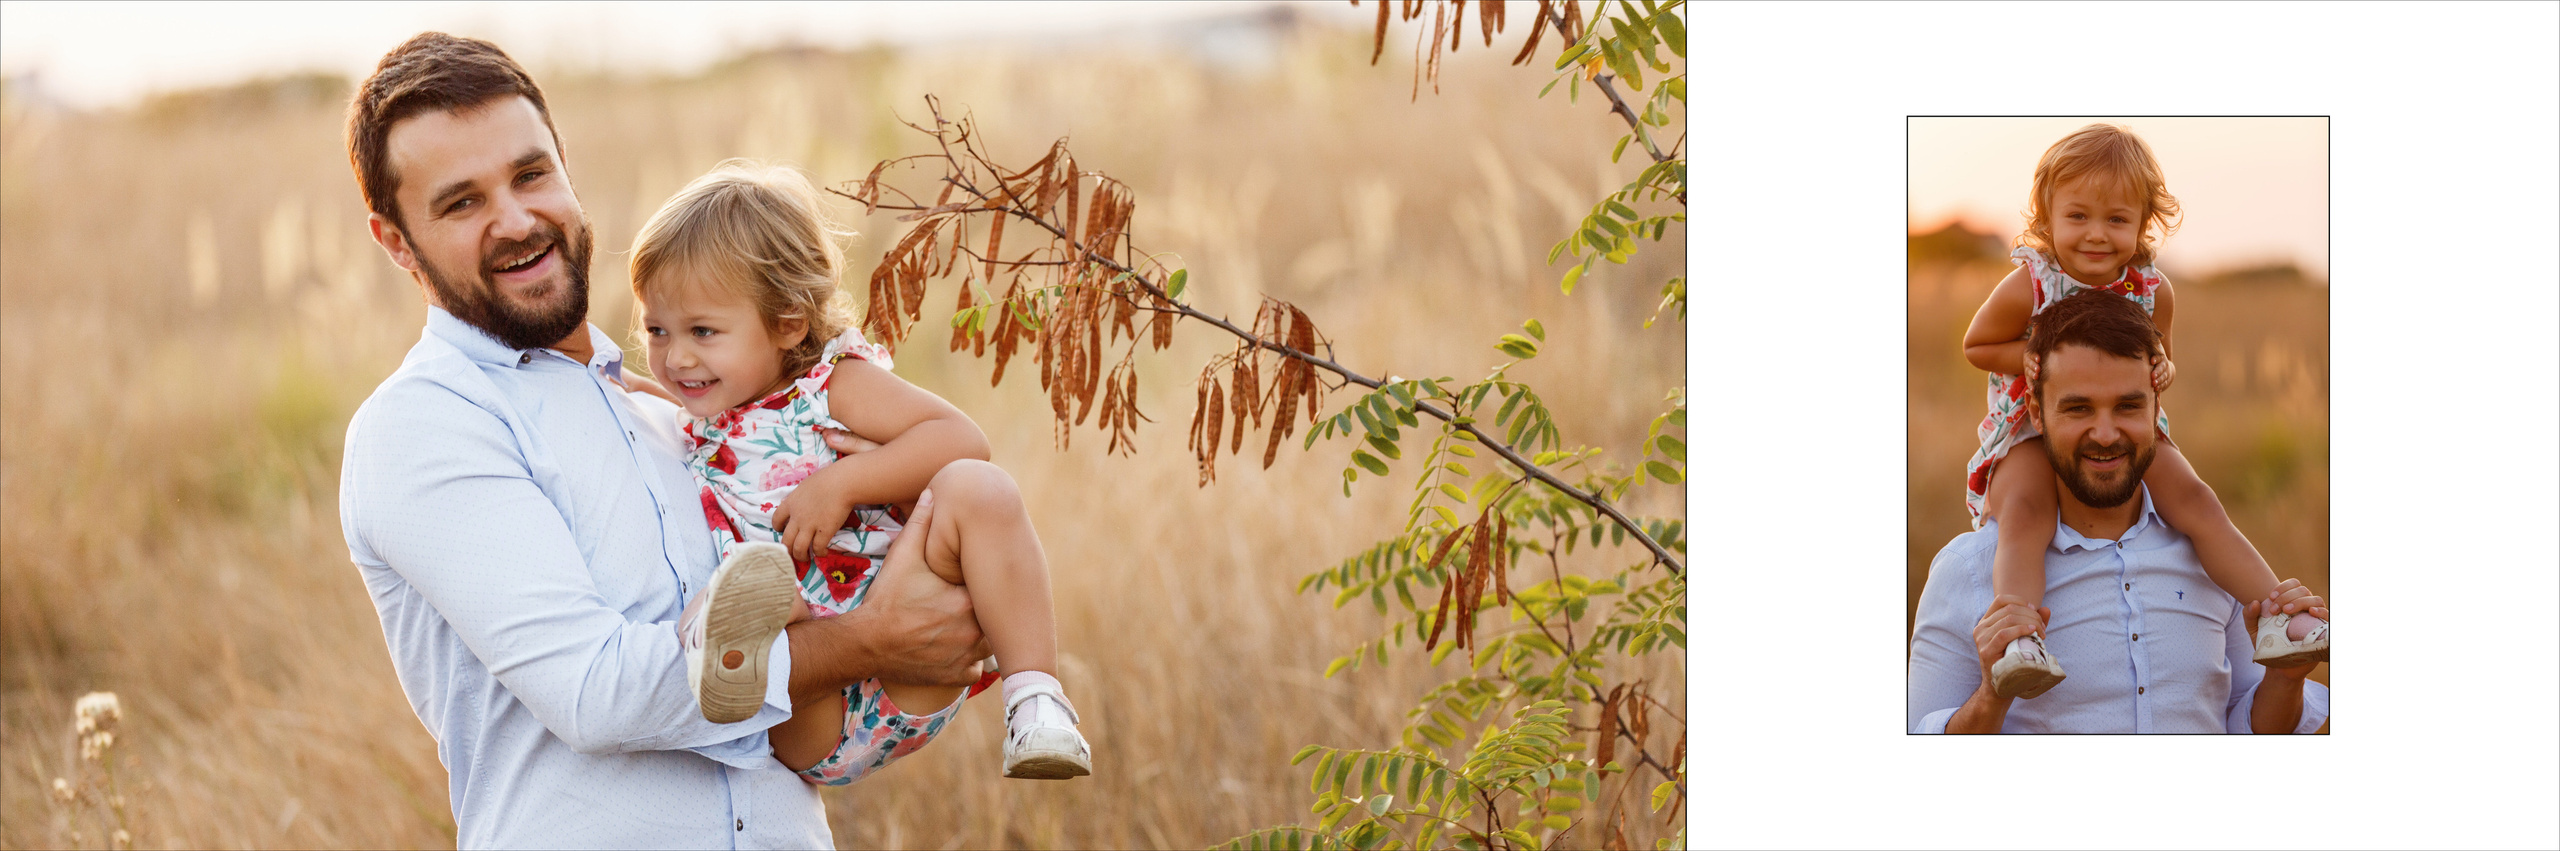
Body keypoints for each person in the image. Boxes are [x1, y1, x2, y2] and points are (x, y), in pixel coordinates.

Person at [337, 32, 986, 847]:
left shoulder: (684, 403)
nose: (517, 220)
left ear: (565, 169)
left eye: (531, 175)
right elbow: (594, 692)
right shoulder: (425, 423)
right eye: (462, 203)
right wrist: (871, 640)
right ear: (396, 241)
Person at [627, 160, 1092, 783]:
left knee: (979, 488)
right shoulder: (702, 413)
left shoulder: (832, 386)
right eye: (657, 330)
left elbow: (961, 438)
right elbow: (631, 389)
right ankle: (717, 643)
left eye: (703, 331)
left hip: (913, 665)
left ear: (788, 322)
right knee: (763, 593)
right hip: (806, 709)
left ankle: (1036, 702)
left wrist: (841, 484)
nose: (676, 357)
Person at [1955, 123, 2328, 699]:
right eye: (2077, 216)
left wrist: (2164, 370)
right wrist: (2032, 357)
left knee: (2197, 499)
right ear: (2048, 218)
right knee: (2026, 513)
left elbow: (2161, 360)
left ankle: (2279, 616)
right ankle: (2019, 639)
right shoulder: (2030, 283)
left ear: (2143, 223)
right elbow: (1977, 345)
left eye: (2116, 219)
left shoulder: (2153, 290)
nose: (2096, 234)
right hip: (2033, 425)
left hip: (2123, 425)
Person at [1910, 289, 2330, 733]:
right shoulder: (1969, 571)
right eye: (2078, 408)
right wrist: (1991, 698)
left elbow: (2249, 730)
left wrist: (2285, 680)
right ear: (2036, 411)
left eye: (2128, 406)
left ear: (2156, 408)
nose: (2106, 434)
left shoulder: (2216, 560)